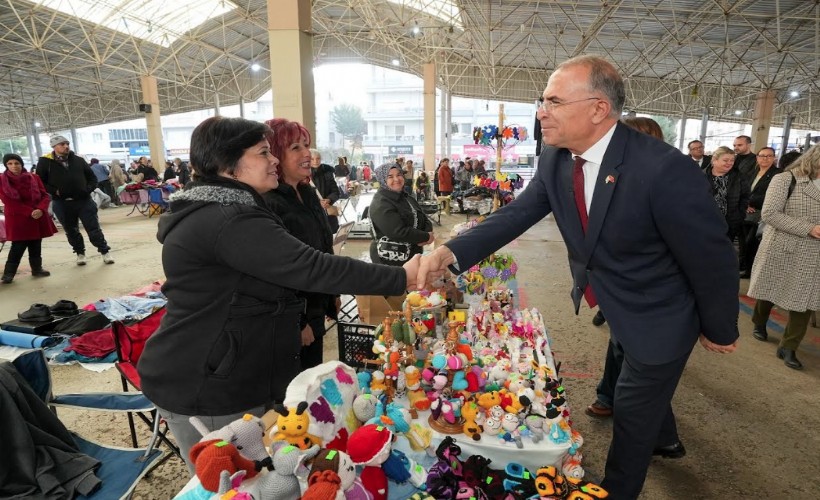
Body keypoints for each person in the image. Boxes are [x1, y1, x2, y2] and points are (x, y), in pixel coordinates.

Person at [416, 55, 739, 499]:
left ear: (597, 109)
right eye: (542, 100)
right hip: (614, 300)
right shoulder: (556, 159)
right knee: (636, 397)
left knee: (632, 411)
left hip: (660, 313)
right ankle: (663, 437)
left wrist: (719, 326)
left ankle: (618, 490)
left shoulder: (662, 168)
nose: (540, 111)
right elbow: (516, 215)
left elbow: (711, 254)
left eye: (553, 101)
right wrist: (449, 253)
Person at [136, 116, 419, 472]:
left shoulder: (240, 208)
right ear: (229, 166)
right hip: (207, 386)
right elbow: (312, 267)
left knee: (264, 477)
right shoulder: (228, 219)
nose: (274, 160)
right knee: (234, 485)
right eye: (263, 152)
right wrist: (401, 277)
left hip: (231, 373)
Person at [585, 116, 666, 418]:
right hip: (620, 280)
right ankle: (609, 395)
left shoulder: (665, 179)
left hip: (653, 283)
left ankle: (650, 422)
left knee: (641, 355)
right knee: (622, 343)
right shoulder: (613, 174)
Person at [263, 118, 336, 371]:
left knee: (315, 372)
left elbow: (324, 247)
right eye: (295, 147)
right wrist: (298, 321)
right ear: (274, 155)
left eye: (306, 145)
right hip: (292, 316)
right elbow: (277, 272)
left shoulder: (307, 193)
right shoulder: (269, 203)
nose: (307, 153)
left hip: (316, 304)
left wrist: (332, 296)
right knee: (297, 391)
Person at [747, 146, 820, 370]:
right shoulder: (786, 179)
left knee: (805, 300)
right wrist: (809, 228)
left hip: (813, 253)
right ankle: (759, 322)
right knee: (771, 289)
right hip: (783, 246)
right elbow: (769, 213)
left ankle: (789, 346)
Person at [36, 135, 114, 265]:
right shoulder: (45, 162)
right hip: (62, 203)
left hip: (84, 201)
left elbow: (92, 178)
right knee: (71, 230)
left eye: (67, 144)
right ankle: (80, 253)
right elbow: (40, 182)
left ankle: (105, 251)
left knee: (93, 228)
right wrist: (55, 191)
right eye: (62, 144)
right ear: (54, 147)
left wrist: (87, 189)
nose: (66, 146)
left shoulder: (78, 160)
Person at [0, 154, 57, 283]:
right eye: (10, 163)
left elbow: (45, 195)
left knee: (36, 243)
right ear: (6, 165)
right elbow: (8, 200)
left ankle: (37, 269)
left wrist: (41, 209)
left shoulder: (34, 177)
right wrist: (31, 212)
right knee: (18, 246)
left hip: (37, 216)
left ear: (21, 164)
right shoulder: (2, 180)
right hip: (18, 218)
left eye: (17, 163)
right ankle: (9, 273)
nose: (14, 166)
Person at [369, 162, 434, 266]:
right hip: (390, 261)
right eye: (390, 176)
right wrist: (426, 237)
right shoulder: (381, 203)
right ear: (382, 180)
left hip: (411, 257)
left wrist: (427, 233)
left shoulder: (406, 197)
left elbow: (423, 217)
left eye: (399, 175)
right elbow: (398, 232)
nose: (396, 179)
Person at [740, 147, 780, 278]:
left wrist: (749, 202)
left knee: (752, 242)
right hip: (746, 210)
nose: (765, 158)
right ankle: (743, 265)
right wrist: (745, 204)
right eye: (762, 156)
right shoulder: (752, 171)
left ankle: (750, 270)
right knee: (742, 241)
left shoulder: (778, 174)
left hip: (764, 213)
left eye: (769, 156)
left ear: (774, 158)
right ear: (757, 158)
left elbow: (771, 195)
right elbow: (742, 189)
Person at [706, 146, 751, 263]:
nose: (729, 163)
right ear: (715, 160)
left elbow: (745, 197)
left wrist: (739, 214)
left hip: (730, 222)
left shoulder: (739, 177)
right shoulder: (701, 176)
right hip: (705, 222)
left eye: (732, 160)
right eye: (726, 160)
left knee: (723, 251)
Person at [310, 149, 341, 233]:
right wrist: (317, 202)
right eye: (312, 159)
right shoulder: (303, 175)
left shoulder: (327, 172)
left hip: (328, 213)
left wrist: (329, 199)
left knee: (330, 237)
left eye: (318, 158)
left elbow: (336, 192)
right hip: (312, 215)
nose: (315, 161)